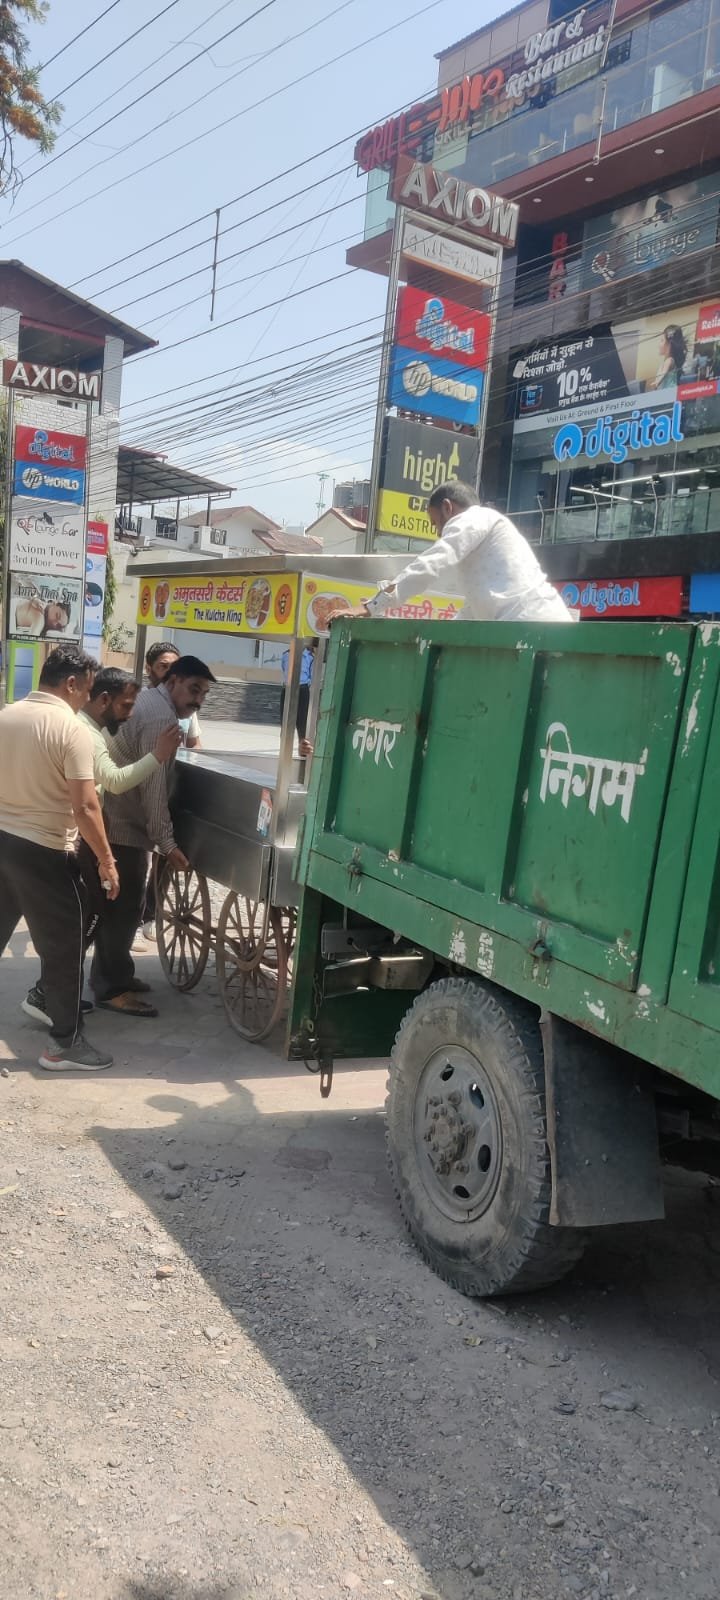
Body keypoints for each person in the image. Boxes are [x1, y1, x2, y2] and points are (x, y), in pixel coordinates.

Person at [23, 667, 182, 1029]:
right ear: (104, 700)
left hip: (71, 838)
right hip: (79, 840)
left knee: (89, 919)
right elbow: (112, 782)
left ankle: (56, 992)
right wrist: (158, 755)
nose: (129, 714)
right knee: (88, 920)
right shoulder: (87, 734)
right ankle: (47, 995)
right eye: (125, 706)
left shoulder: (90, 730)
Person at [0, 646, 120, 1073]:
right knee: (65, 948)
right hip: (44, 850)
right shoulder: (71, 729)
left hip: (2, 839)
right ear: (71, 684)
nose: (87, 699)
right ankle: (64, 1044)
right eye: (86, 690)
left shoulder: (7, 715)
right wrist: (107, 860)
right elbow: (86, 807)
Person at [92, 654, 215, 1017]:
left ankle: (115, 975)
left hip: (118, 816)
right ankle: (111, 989)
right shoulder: (161, 717)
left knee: (121, 908)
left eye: (203, 694)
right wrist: (167, 842)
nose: (198, 700)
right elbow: (153, 788)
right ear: (172, 682)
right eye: (194, 690)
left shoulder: (151, 701)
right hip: (121, 824)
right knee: (124, 908)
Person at [359, 482, 575, 623]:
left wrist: (375, 605)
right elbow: (474, 609)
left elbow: (433, 562)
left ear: (447, 507)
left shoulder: (473, 518)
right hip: (540, 624)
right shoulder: (487, 534)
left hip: (530, 622)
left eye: (435, 523)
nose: (438, 533)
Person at [137, 641, 202, 947]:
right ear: (150, 669)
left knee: (160, 863)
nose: (168, 672)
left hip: (169, 791)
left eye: (174, 666)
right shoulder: (145, 705)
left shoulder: (184, 707)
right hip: (139, 797)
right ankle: (128, 921)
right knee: (139, 861)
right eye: (163, 666)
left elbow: (195, 746)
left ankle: (149, 913)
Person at [280, 639, 317, 758]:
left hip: (303, 689)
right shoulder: (286, 655)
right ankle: (284, 752)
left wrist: (306, 685)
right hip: (288, 688)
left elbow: (311, 674)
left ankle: (303, 753)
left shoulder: (309, 657)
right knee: (285, 723)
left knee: (302, 723)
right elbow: (284, 670)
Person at [649, 325, 687, 390]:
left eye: (662, 340)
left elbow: (664, 373)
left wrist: (657, 382)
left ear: (669, 344)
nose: (659, 345)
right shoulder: (667, 361)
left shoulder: (669, 360)